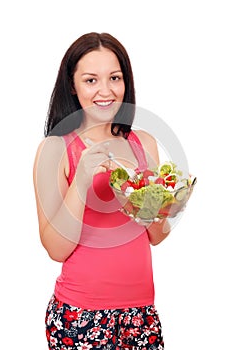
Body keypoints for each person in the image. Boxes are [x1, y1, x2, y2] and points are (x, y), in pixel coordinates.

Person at [33, 32, 171, 350]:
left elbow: (156, 235)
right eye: (91, 80)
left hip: (141, 312)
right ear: (72, 85)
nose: (105, 91)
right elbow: (56, 250)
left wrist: (151, 202)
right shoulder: (55, 149)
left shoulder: (143, 143)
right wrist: (82, 180)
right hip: (81, 314)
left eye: (115, 78)